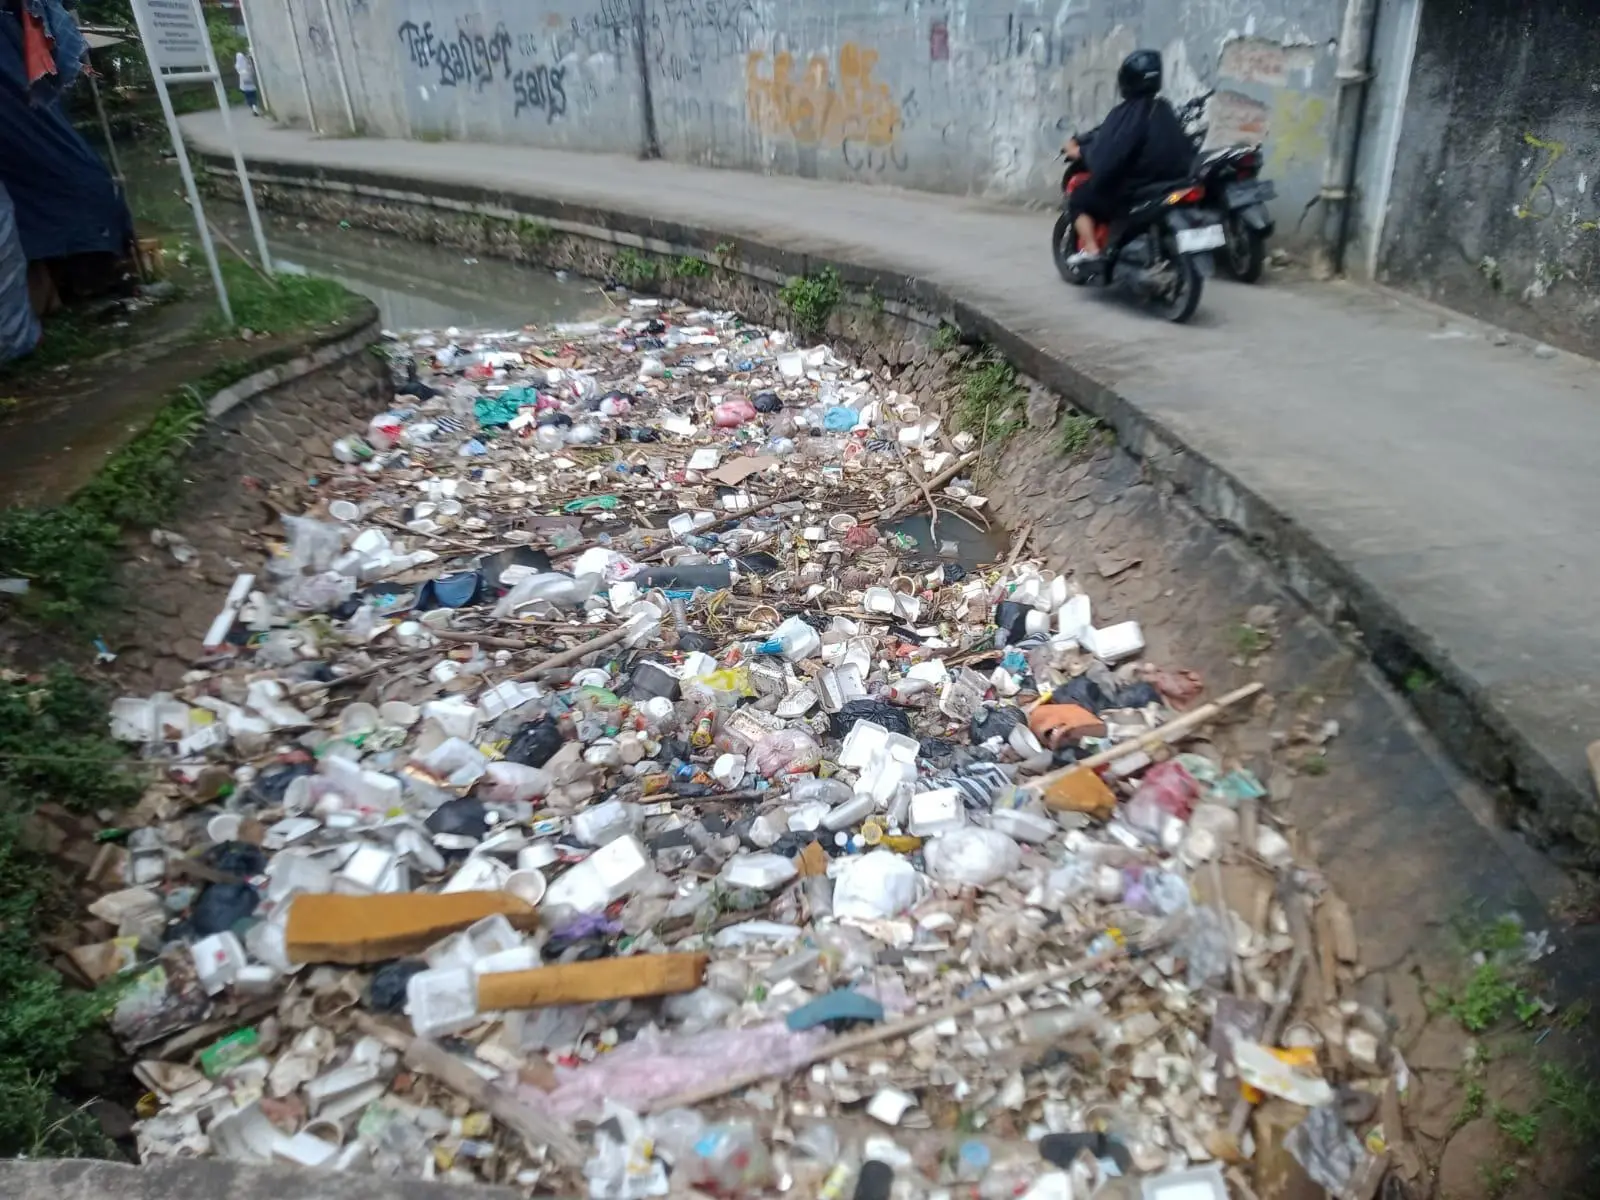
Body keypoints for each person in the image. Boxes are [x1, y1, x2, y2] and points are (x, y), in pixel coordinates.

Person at [1062, 49, 1196, 268]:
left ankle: (1092, 251)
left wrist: (1082, 152)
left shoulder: (1126, 113)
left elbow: (1108, 154)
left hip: (1135, 191)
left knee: (1079, 198)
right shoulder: (1164, 109)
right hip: (1169, 185)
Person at [235, 50, 260, 116]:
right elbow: (252, 71)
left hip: (244, 86)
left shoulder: (238, 66)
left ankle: (253, 107)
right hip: (251, 84)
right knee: (253, 96)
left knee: (248, 98)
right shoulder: (248, 64)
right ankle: (255, 107)